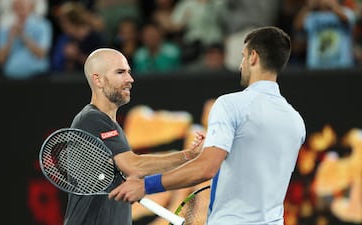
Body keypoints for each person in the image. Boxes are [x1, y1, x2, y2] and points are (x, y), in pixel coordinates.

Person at [109, 26, 307, 225]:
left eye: (243, 56)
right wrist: (219, 143)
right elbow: (256, 163)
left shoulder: (230, 104)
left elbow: (206, 168)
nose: (241, 65)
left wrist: (145, 186)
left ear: (254, 57)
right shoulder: (296, 121)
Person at [63, 48, 203, 225]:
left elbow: (133, 170)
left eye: (129, 72)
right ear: (98, 80)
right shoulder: (92, 120)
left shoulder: (110, 125)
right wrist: (188, 155)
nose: (130, 79)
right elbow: (134, 166)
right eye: (120, 72)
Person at [0, 0, 52, 79]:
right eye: (17, 4)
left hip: (37, 77)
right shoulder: (4, 28)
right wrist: (10, 39)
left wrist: (23, 36)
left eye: (23, 4)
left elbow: (41, 54)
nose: (20, 7)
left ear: (32, 6)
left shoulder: (43, 25)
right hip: (11, 79)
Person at [293, 0, 356, 69]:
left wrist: (333, 6)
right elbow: (297, 26)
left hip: (341, 66)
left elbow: (347, 20)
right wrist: (308, 7)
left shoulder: (346, 11)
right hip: (316, 67)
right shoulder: (312, 16)